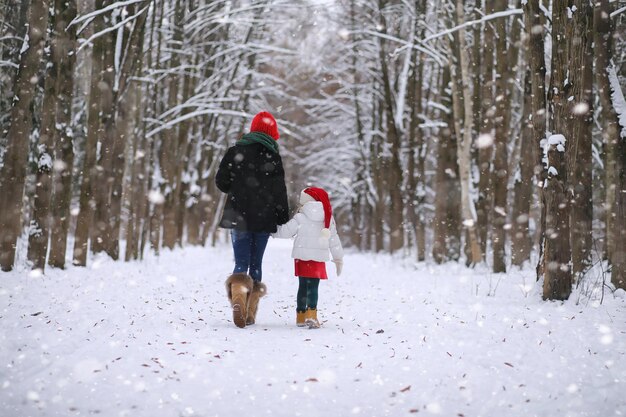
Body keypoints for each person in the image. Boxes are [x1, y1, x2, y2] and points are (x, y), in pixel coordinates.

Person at [215, 111, 289, 328]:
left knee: (241, 262)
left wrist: (236, 187)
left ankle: (238, 296)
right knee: (256, 264)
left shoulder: (235, 151)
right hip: (263, 217)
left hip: (239, 215)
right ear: (272, 131)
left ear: (253, 128)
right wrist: (282, 215)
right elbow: (279, 190)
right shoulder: (272, 156)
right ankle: (249, 312)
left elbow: (221, 182)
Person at [273, 187, 343, 329]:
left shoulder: (300, 216)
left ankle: (300, 316)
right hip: (318, 257)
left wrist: (271, 229)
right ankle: (311, 315)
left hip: (302, 256)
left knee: (303, 286)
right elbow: (334, 239)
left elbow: (286, 232)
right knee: (313, 286)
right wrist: (338, 258)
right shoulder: (327, 217)